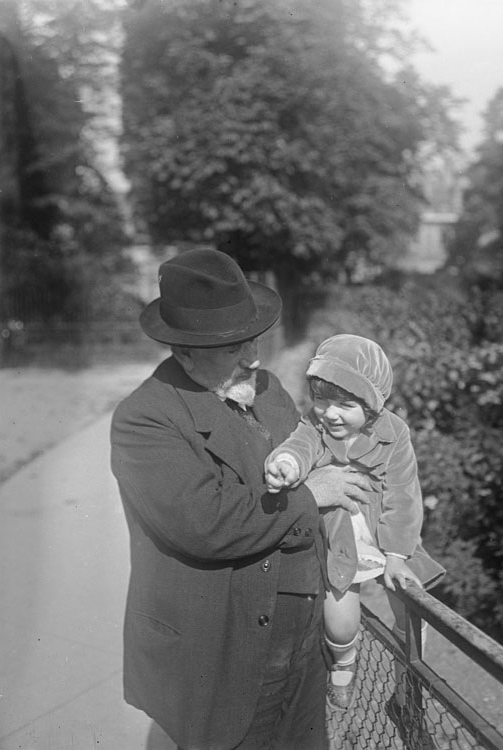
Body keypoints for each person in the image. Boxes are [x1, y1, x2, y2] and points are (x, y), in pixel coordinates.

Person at [110, 248, 371, 750]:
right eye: (233, 349)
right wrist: (310, 497)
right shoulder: (145, 417)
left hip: (299, 635)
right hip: (223, 645)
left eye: (253, 341)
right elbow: (204, 522)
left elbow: (317, 455)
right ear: (184, 352)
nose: (253, 358)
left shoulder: (267, 389)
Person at [264, 334, 445, 743]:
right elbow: (300, 446)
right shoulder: (313, 425)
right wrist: (288, 464)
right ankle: (342, 667)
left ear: (371, 405)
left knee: (412, 610)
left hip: (387, 536)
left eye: (346, 405)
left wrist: (398, 555)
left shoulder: (393, 433)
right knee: (341, 622)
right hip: (342, 542)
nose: (331, 414)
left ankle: (408, 685)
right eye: (322, 400)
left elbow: (403, 494)